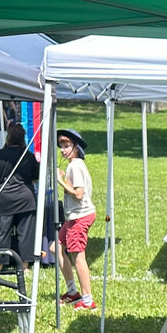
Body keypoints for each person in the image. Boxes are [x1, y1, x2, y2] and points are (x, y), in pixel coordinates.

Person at [0, 123, 40, 263]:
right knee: (26, 234)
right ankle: (25, 265)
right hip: (25, 198)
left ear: (8, 137)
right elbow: (36, 178)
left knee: (2, 233)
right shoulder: (29, 155)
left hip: (4, 198)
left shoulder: (0, 154)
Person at [56, 129, 96, 310]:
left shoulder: (75, 165)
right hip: (73, 216)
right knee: (56, 247)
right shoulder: (74, 165)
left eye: (67, 146)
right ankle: (72, 291)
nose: (63, 150)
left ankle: (88, 300)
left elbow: (79, 194)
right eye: (61, 147)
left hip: (80, 216)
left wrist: (60, 181)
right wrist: (66, 181)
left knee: (78, 257)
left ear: (76, 147)